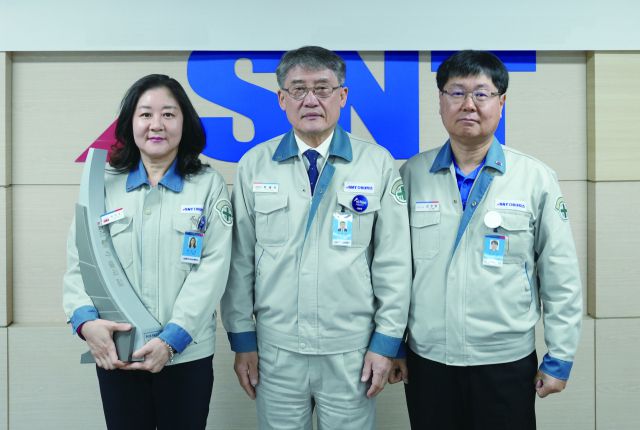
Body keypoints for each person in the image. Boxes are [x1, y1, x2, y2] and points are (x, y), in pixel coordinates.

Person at [221, 46, 411, 429]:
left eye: (322, 88)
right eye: (298, 89)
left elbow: (393, 262)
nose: (310, 100)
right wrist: (243, 340)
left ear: (342, 96)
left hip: (351, 349)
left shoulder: (376, 164)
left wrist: (386, 341)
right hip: (276, 350)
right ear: (281, 99)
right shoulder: (255, 165)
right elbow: (239, 262)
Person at [393, 50, 583, 429]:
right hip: (429, 360)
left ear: (501, 102)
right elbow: (394, 269)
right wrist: (393, 343)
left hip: (505, 361)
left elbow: (560, 274)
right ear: (440, 101)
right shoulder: (412, 175)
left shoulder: (534, 178)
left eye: (481, 93)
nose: (468, 104)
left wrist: (560, 356)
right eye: (456, 92)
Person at [62, 74, 233, 429]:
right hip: (117, 352)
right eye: (145, 114)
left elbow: (213, 269)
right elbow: (80, 262)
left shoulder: (207, 185)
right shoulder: (102, 184)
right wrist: (86, 323)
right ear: (130, 122)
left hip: (186, 356)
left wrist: (172, 340)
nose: (157, 124)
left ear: (185, 123)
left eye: (168, 114)